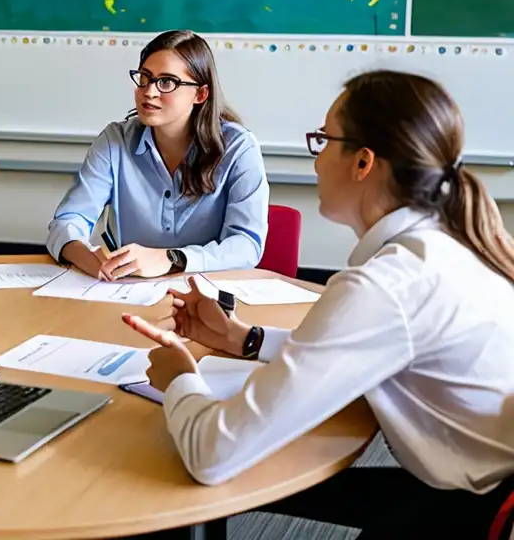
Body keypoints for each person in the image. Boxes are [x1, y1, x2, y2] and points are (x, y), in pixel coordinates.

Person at [125, 70, 514, 538]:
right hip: (479, 480)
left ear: (363, 163)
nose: (315, 160)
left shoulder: (387, 285)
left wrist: (180, 378)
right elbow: (362, 346)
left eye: (324, 139)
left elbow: (213, 453)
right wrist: (240, 337)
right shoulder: (446, 241)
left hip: (479, 513)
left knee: (231, 469)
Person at [46, 30, 269, 281]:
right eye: (145, 77)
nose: (149, 91)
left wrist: (172, 258)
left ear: (200, 94)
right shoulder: (115, 141)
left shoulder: (239, 148)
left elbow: (246, 245)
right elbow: (68, 221)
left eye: (167, 82)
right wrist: (86, 255)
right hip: (127, 291)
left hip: (207, 297)